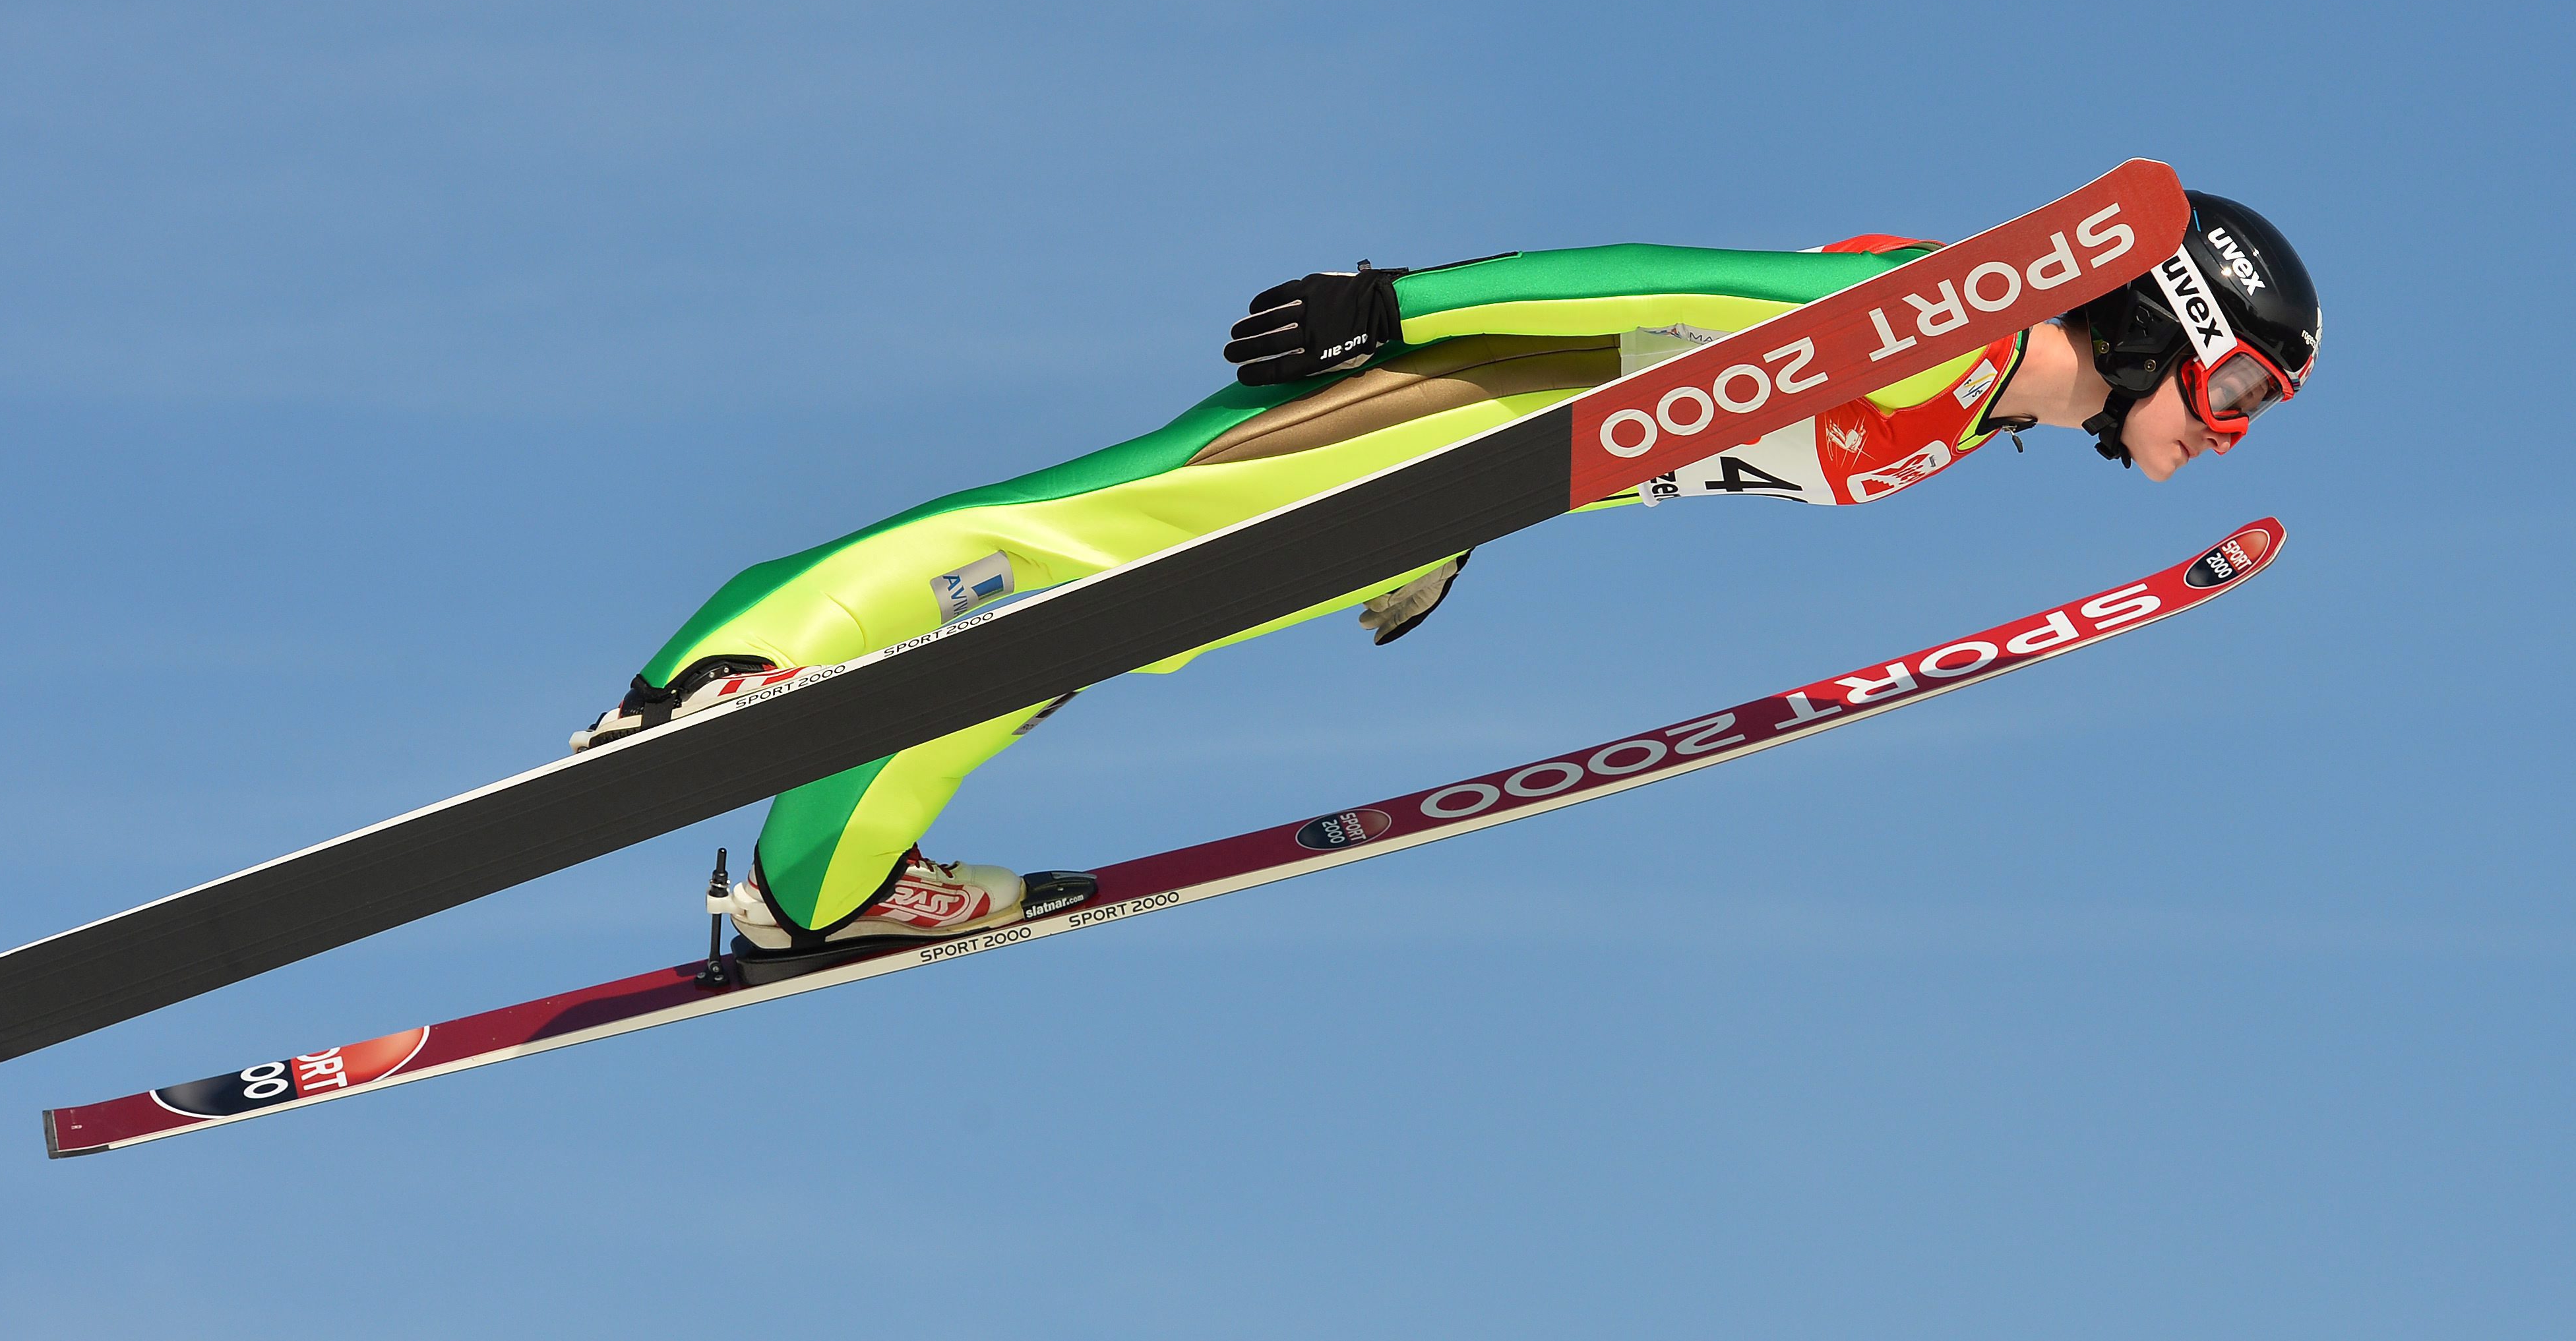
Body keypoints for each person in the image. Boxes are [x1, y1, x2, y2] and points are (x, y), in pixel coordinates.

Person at [574, 191, 2319, 953]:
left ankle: (827, 873)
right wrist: (1398, 306)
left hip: (1463, 475)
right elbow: (1665, 276)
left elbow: (1667, 408)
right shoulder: (1949, 322)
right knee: (1089, 530)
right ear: (2172, 320)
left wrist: (1462, 526)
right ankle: (721, 674)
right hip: (1437, 394)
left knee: (1067, 641)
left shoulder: (1958, 413)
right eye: (2239, 384)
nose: (2226, 427)